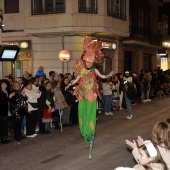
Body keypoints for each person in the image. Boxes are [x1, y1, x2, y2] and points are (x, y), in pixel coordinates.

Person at [65, 36, 114, 159]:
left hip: (91, 96)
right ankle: (84, 134)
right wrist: (69, 85)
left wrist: (108, 75)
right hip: (82, 96)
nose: (89, 63)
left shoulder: (94, 70)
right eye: (87, 61)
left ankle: (90, 136)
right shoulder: (81, 70)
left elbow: (102, 77)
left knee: (90, 116)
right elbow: (76, 80)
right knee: (82, 115)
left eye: (91, 62)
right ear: (84, 60)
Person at [0, 79, 14, 144]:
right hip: (2, 111)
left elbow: (11, 100)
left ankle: (5, 137)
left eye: (5, 84)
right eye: (2, 84)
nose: (4, 85)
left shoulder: (8, 91)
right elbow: (2, 101)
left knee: (6, 125)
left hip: (8, 110)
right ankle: (2, 138)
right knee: (2, 125)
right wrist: (9, 97)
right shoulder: (0, 92)